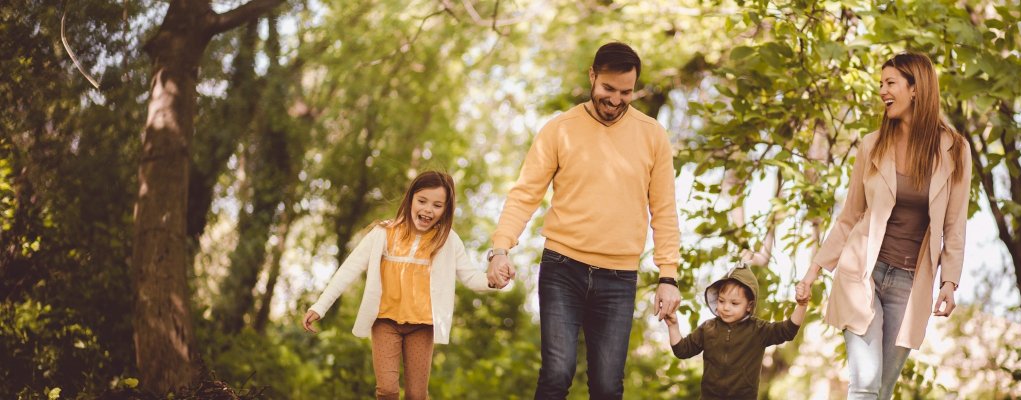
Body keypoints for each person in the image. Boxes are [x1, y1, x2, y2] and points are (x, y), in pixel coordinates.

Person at [485, 41, 683, 399]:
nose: (616, 99)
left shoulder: (652, 135)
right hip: (563, 266)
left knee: (608, 386)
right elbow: (525, 194)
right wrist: (500, 249)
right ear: (592, 76)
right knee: (557, 374)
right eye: (608, 88)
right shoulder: (560, 129)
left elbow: (665, 210)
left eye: (626, 92)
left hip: (619, 276)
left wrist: (668, 275)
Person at [796, 52, 972, 399]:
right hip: (862, 273)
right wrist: (813, 271)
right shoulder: (872, 145)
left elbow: (955, 224)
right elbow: (850, 217)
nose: (882, 91)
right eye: (881, 83)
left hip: (910, 283)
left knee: (882, 389)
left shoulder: (955, 150)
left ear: (916, 88)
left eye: (890, 83)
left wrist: (949, 281)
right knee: (865, 381)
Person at [302, 171, 504, 400]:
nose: (428, 209)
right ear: (410, 199)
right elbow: (348, 270)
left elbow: (470, 277)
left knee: (417, 396)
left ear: (445, 209)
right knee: (387, 391)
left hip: (422, 326)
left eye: (437, 205)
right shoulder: (384, 233)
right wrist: (320, 306)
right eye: (422, 201)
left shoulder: (447, 241)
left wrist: (494, 280)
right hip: (385, 322)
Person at [664, 257, 808, 399]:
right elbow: (682, 350)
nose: (726, 307)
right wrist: (673, 326)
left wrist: (802, 305)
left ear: (749, 306)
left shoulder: (758, 330)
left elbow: (788, 331)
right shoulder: (708, 328)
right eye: (721, 301)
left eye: (734, 303)